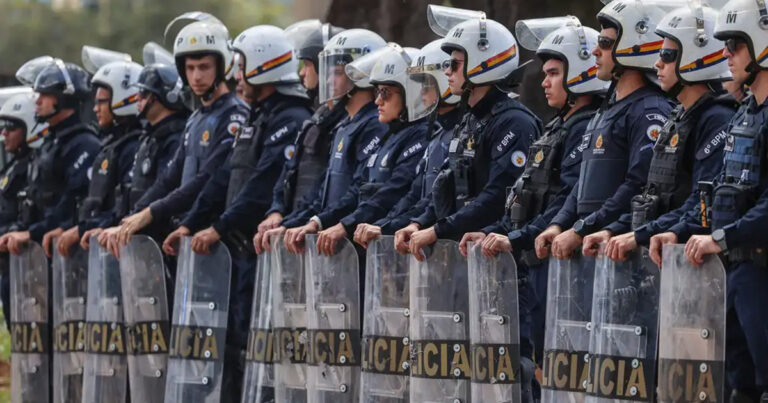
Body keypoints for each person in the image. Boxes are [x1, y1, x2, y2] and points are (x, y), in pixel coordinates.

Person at [162, 24, 313, 402]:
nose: (236, 74)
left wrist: (217, 228)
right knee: (231, 349)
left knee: (255, 351)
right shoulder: (257, 116)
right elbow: (222, 179)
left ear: (263, 67)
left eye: (242, 65)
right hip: (238, 257)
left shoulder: (289, 118)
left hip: (260, 256)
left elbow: (260, 189)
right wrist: (190, 224)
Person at [460, 16, 608, 370]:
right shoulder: (559, 126)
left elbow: (564, 201)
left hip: (562, 271)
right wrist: (496, 231)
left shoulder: (585, 127)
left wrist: (516, 237)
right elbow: (524, 197)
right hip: (535, 264)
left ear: (581, 71)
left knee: (550, 372)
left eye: (554, 73)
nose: (544, 82)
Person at [651, 0, 768, 399]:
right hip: (736, 271)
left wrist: (720, 237)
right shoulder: (745, 112)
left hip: (759, 268)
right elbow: (715, 190)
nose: (726, 55)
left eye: (735, 44)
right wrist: (677, 232)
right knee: (741, 386)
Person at [584, 4, 734, 265]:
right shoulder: (679, 117)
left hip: (696, 265)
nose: (657, 63)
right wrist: (614, 229)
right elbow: (651, 197)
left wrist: (639, 235)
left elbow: (700, 203)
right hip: (668, 259)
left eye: (666, 54)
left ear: (697, 54)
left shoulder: (716, 119)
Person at [534, 0, 674, 260]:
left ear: (634, 46)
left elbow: (638, 185)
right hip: (592, 248)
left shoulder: (648, 111)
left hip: (622, 256)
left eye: (606, 43)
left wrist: (582, 229)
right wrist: (559, 223)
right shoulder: (606, 110)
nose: (596, 51)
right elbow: (583, 182)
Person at [113, 20, 249, 250]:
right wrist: (132, 218)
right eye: (190, 68)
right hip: (185, 237)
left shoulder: (234, 116)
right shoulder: (195, 118)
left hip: (218, 242)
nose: (196, 76)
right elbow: (169, 178)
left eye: (204, 67)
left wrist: (152, 213)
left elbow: (207, 178)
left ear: (223, 66)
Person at [262, 29, 388, 253]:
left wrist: (318, 223)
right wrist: (290, 225)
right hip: (330, 249)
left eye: (338, 72)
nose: (328, 80)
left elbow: (358, 190)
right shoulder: (344, 125)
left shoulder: (373, 126)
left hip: (352, 249)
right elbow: (322, 193)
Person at [352, 39, 462, 247]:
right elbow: (418, 195)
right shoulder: (437, 134)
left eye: (425, 84)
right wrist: (392, 226)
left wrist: (391, 226)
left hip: (455, 252)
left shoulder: (436, 133)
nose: (419, 93)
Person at [251, 20, 348, 250]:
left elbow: (323, 186)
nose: (302, 73)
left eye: (307, 64)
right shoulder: (316, 118)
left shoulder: (346, 124)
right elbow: (289, 171)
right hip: (297, 233)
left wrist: (295, 222)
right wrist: (276, 211)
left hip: (319, 239)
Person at [0, 60, 100, 256]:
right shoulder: (50, 144)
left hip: (70, 256)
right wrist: (14, 232)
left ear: (63, 98)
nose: (37, 101)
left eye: (45, 95)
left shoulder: (84, 144)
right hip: (41, 255)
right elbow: (34, 204)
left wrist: (30, 232)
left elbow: (70, 204)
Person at [52, 60, 143, 256]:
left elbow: (125, 208)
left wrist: (83, 229)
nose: (95, 109)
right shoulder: (111, 145)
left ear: (123, 98)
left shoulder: (133, 147)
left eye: (101, 102)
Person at [0, 91, 48, 328]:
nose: (4, 133)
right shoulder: (13, 166)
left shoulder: (36, 166)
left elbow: (31, 215)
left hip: (30, 264)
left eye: (11, 127)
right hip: (10, 264)